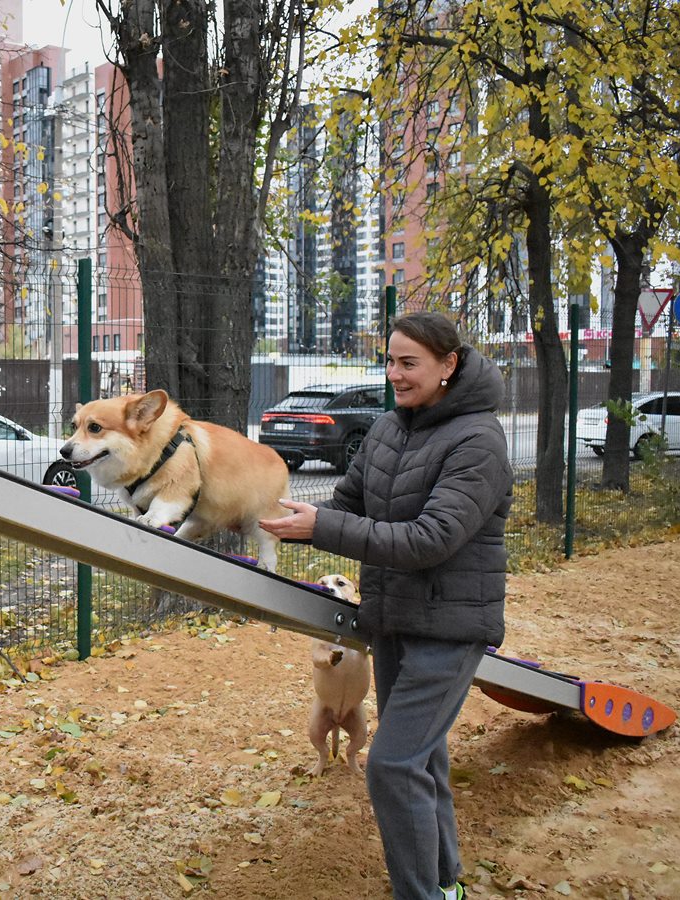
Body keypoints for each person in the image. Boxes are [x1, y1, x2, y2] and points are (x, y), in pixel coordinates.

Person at [259, 311, 512, 900]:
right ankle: (446, 886)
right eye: (389, 361)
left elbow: (432, 539)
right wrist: (267, 514)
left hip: (449, 629)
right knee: (422, 763)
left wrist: (323, 528)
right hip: (394, 619)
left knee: (393, 765)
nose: (395, 374)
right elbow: (346, 505)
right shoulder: (387, 430)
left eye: (409, 363)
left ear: (449, 365)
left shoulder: (479, 440)